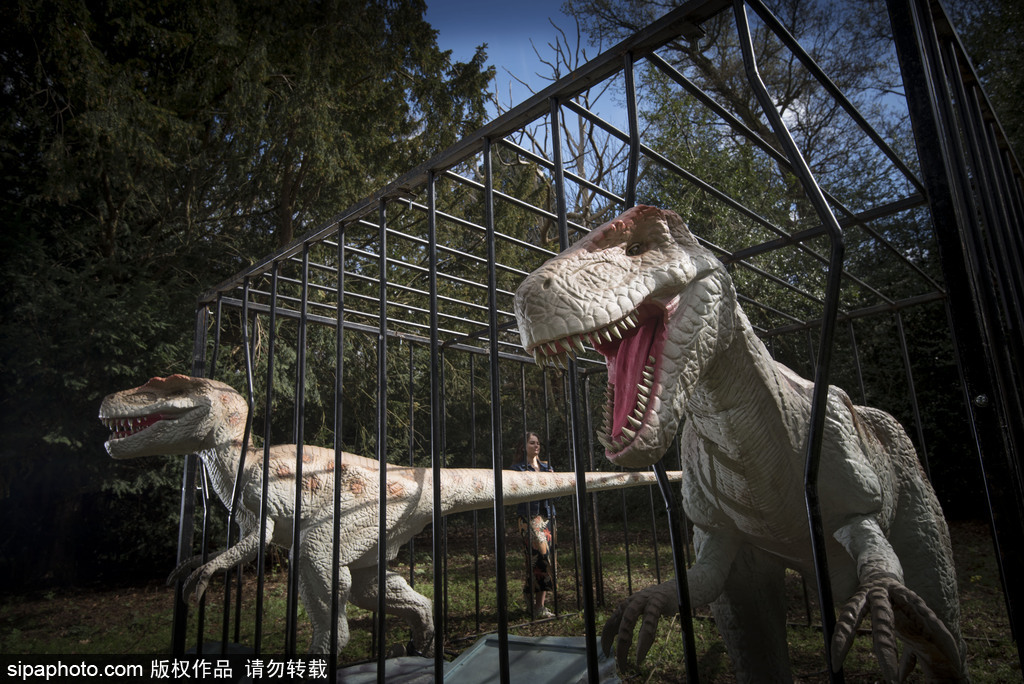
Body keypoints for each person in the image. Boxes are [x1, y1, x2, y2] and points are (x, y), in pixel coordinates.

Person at [510, 431, 556, 619]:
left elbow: (556, 496)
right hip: (528, 518)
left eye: (538, 443)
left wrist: (555, 480)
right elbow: (513, 495)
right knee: (541, 557)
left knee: (543, 560)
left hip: (547, 517)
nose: (536, 446)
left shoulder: (547, 467)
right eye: (532, 443)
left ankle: (536, 603)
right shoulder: (516, 469)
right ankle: (536, 605)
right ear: (523, 446)